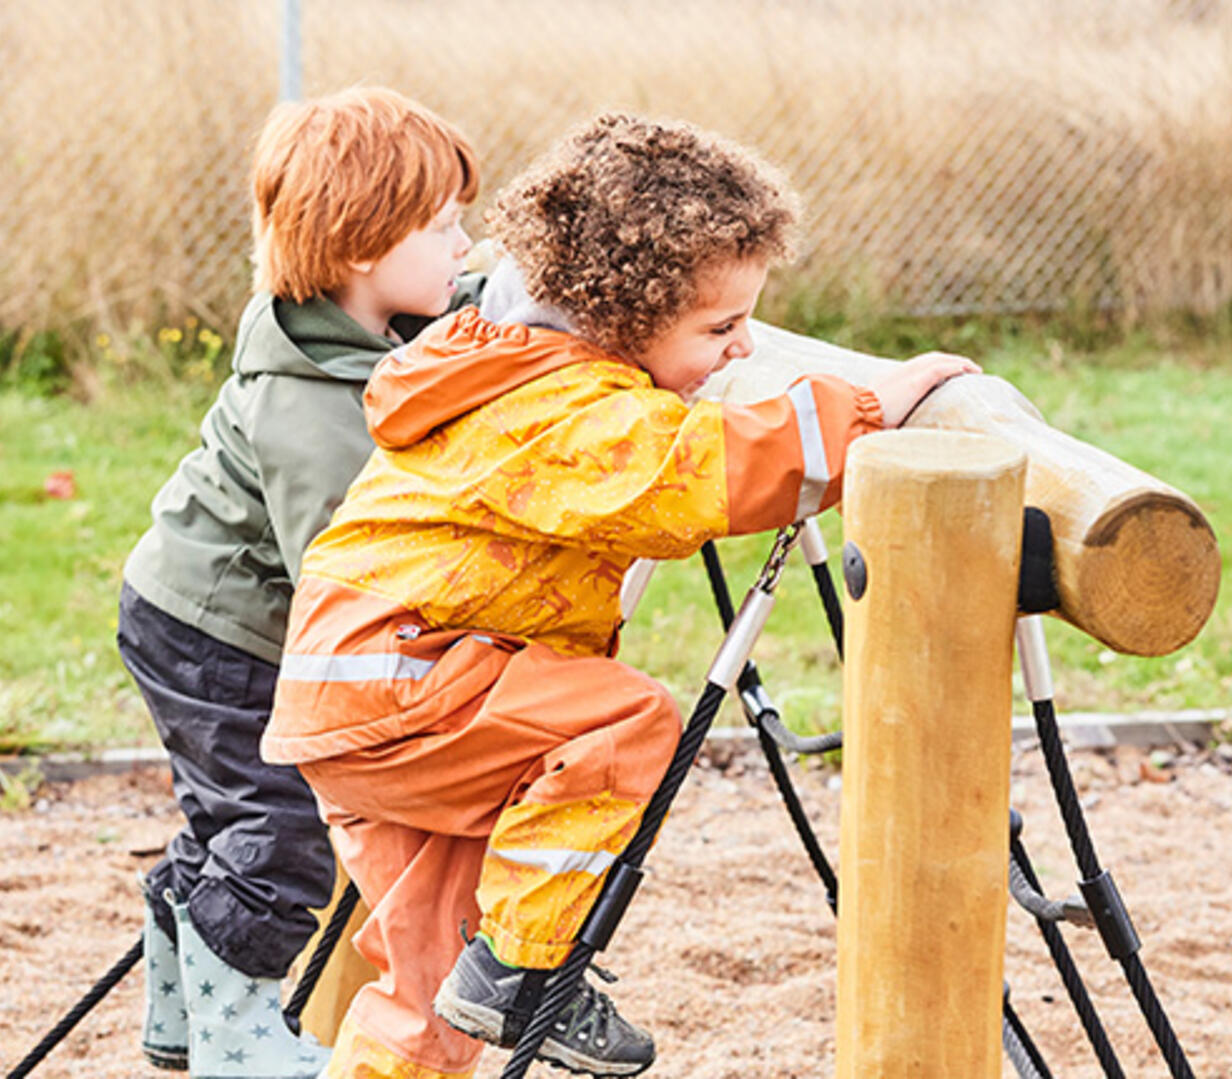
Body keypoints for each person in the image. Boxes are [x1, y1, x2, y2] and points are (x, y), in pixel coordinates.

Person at [261, 113, 977, 1079]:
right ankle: (526, 971)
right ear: (619, 318)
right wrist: (870, 410)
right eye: (720, 328)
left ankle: (478, 989)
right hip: (407, 676)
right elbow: (692, 475)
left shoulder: (503, 359)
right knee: (623, 725)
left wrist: (707, 360)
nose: (741, 346)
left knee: (430, 990)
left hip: (353, 696)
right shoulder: (561, 411)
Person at [116, 85, 483, 1077]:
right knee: (276, 837)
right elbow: (354, 576)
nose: (465, 247)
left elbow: (472, 307)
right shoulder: (310, 409)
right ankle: (239, 1045)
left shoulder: (354, 323)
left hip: (194, 609)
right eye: (444, 228)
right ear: (363, 248)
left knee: (229, 820)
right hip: (216, 635)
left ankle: (182, 1010)